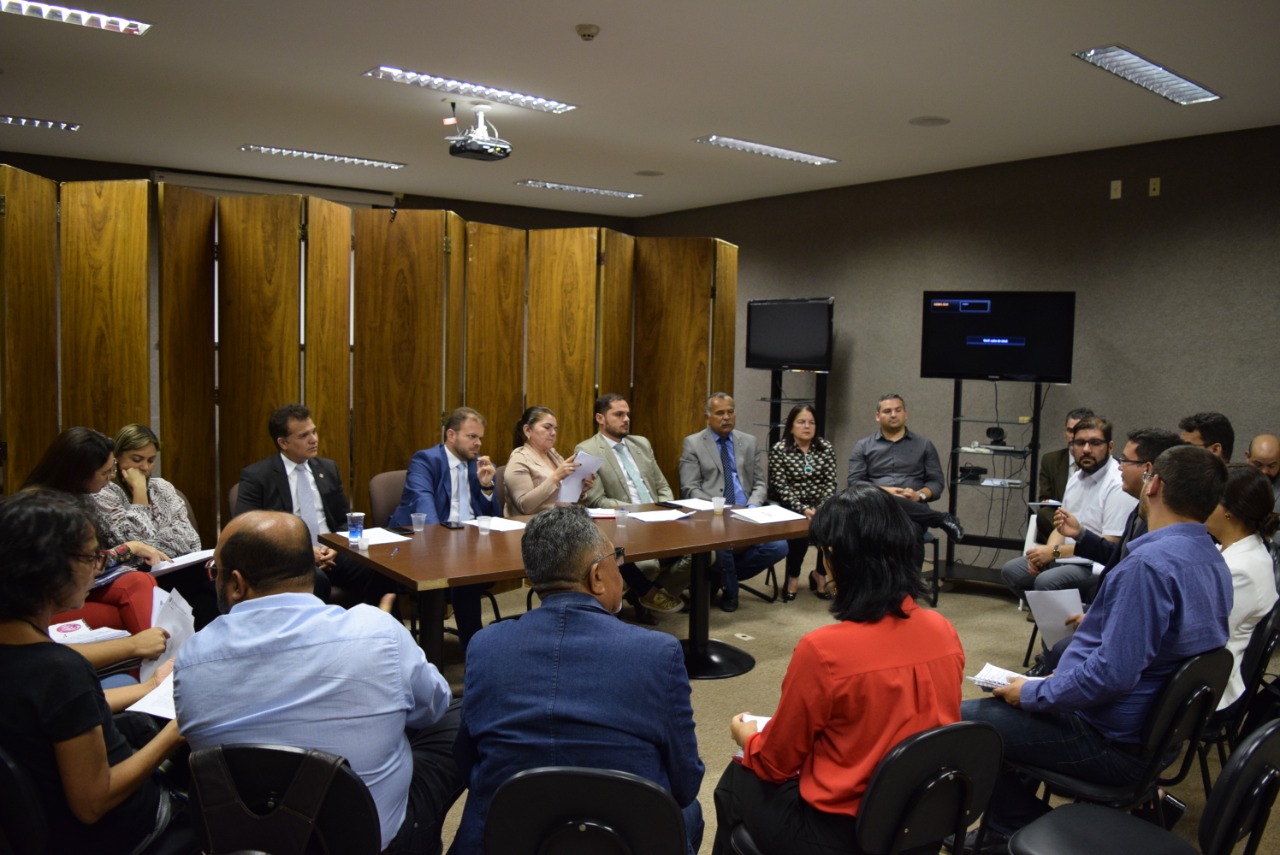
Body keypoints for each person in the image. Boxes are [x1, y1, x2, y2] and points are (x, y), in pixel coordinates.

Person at [959, 446, 1232, 852]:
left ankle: (1036, 829)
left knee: (967, 721)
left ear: (1153, 483)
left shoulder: (1149, 566)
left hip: (1109, 741)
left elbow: (1112, 675)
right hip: (1151, 736)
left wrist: (1035, 693)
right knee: (1016, 698)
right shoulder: (1211, 559)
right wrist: (1051, 684)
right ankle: (1007, 825)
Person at [174, 510, 462, 855]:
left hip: (254, 840)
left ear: (236, 583)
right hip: (375, 843)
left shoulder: (191, 658)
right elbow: (433, 707)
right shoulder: (377, 631)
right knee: (456, 712)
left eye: (214, 572)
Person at [711, 483, 965, 855]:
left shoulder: (824, 650)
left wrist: (746, 736)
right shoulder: (944, 631)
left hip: (843, 836)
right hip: (919, 828)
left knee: (737, 778)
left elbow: (775, 764)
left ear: (833, 558)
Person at [452, 506, 704, 855]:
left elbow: (467, 763)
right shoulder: (658, 653)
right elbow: (686, 783)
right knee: (692, 812)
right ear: (597, 576)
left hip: (505, 837)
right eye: (616, 558)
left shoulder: (486, 646)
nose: (620, 567)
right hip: (626, 839)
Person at [0, 490, 189, 854]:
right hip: (120, 833)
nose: (99, 566)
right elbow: (92, 802)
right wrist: (175, 732)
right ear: (49, 570)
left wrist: (149, 686)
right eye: (92, 557)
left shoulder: (26, 658)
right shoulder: (60, 670)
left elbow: (62, 713)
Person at [235, 403, 396, 605]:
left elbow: (342, 520)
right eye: (303, 436)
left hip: (333, 552)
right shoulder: (258, 476)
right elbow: (246, 532)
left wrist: (337, 545)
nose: (314, 439)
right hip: (290, 558)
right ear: (283, 443)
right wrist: (303, 550)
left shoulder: (328, 468)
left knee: (379, 569)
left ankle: (382, 631)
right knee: (315, 580)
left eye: (314, 431)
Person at [23, 427, 167, 638]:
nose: (111, 477)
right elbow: (75, 565)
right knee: (134, 590)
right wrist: (130, 548)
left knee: (138, 582)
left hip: (81, 585)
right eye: (105, 472)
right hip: (45, 599)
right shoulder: (43, 511)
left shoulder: (83, 498)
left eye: (113, 468)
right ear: (80, 472)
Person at [386, 407, 499, 650]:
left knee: (468, 572)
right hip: (421, 547)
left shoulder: (477, 466)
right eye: (471, 437)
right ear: (451, 435)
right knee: (464, 576)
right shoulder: (425, 461)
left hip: (469, 547)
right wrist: (449, 546)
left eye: (480, 437)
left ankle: (475, 651)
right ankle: (468, 649)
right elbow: (426, 510)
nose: (478, 443)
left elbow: (494, 519)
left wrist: (487, 488)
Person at [1001, 416, 1137, 599]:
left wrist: (1053, 553)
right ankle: (1053, 616)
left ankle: (1065, 620)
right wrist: (1044, 554)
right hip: (1064, 556)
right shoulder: (1076, 479)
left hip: (1094, 564)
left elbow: (1110, 544)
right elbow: (1061, 527)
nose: (1086, 450)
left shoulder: (1117, 483)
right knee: (1012, 571)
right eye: (1080, 443)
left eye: (1095, 443)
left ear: (1110, 447)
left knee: (1046, 582)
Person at [576, 393, 687, 616]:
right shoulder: (588, 449)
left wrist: (663, 509)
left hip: (659, 518)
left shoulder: (641, 444)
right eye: (618, 414)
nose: (626, 419)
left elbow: (662, 486)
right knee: (648, 566)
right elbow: (597, 501)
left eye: (627, 414)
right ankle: (647, 594)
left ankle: (649, 593)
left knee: (704, 554)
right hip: (628, 524)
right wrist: (641, 511)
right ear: (600, 418)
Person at [679, 392, 787, 612]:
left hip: (747, 514)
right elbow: (690, 488)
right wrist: (720, 509)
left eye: (730, 412)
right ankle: (731, 592)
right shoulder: (693, 443)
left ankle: (719, 577)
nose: (726, 417)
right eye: (720, 413)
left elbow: (759, 483)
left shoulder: (748, 442)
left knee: (780, 546)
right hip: (713, 517)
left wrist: (753, 507)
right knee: (723, 545)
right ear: (708, 417)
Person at [846, 393, 964, 568]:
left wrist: (919, 496)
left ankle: (909, 589)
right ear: (878, 416)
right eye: (887, 411)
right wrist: (887, 491)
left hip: (913, 511)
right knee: (880, 504)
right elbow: (855, 483)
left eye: (898, 410)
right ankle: (940, 519)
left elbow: (936, 482)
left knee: (912, 531)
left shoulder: (924, 445)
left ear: (905, 414)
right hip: (875, 510)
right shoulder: (863, 446)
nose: (893, 414)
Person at [1205, 464, 1278, 714]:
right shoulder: (1234, 550)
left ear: (1228, 512)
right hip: (1204, 664)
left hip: (1209, 684)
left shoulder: (1242, 569)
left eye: (1210, 499)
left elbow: (1205, 635)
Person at [92, 424, 201, 559]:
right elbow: (134, 547)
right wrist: (139, 492)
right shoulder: (102, 492)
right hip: (133, 574)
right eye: (137, 459)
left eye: (151, 460)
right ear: (117, 457)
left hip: (177, 567)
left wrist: (152, 541)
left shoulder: (162, 487)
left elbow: (191, 543)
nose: (145, 467)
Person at [768, 403, 838, 601]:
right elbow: (780, 486)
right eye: (801, 422)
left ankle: (820, 575)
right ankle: (793, 576)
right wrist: (803, 509)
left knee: (830, 525)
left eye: (811, 422)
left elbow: (831, 482)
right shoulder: (779, 450)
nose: (807, 426)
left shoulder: (825, 448)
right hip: (791, 506)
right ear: (791, 426)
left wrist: (821, 507)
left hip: (821, 505)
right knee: (801, 528)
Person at [503, 406, 592, 516]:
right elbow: (523, 506)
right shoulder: (519, 459)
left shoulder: (554, 455)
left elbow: (564, 501)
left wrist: (580, 489)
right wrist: (556, 477)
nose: (553, 433)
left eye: (555, 429)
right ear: (527, 430)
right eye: (547, 427)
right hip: (531, 527)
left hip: (561, 521)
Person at [1035, 408, 1094, 543]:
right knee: (1043, 514)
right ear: (1065, 433)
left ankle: (1062, 550)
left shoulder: (1099, 463)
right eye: (1070, 431)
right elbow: (1045, 500)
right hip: (1059, 519)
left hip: (1090, 519)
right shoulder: (1051, 460)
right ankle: (1059, 551)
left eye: (1078, 431)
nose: (1073, 436)